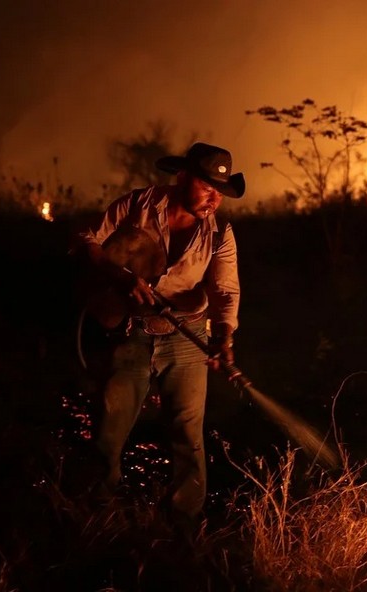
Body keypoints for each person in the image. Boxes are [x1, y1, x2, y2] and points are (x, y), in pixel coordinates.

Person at [73, 142, 244, 532]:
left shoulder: (220, 232)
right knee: (110, 426)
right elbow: (87, 239)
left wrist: (223, 336)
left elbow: (225, 290)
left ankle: (184, 525)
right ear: (183, 176)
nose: (214, 198)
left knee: (188, 432)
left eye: (221, 191)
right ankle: (95, 516)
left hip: (186, 339)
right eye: (206, 186)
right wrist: (120, 276)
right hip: (130, 332)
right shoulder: (137, 205)